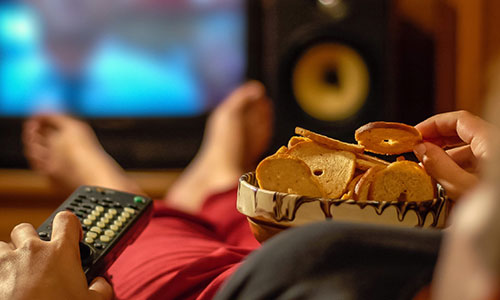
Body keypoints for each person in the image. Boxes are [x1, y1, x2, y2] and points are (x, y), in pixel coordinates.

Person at [0, 79, 496, 299]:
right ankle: (216, 177)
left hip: (195, 286)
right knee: (245, 221)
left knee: (160, 245)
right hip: (253, 266)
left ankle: (112, 179)